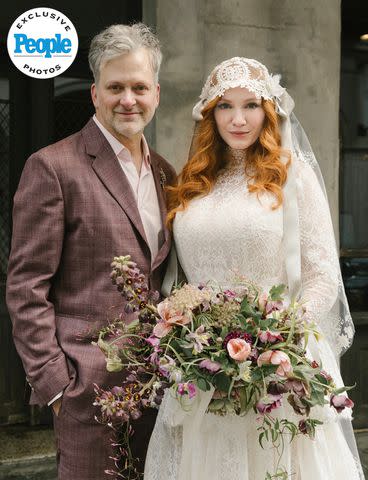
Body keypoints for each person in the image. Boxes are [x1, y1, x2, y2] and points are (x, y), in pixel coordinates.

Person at [144, 58, 364, 479]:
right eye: (226, 106)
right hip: (201, 367)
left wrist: (278, 335)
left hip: (274, 369)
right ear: (210, 114)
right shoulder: (193, 181)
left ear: (269, 111)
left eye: (251, 105)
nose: (239, 119)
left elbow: (321, 277)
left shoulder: (292, 178)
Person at [6, 23, 176, 480]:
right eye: (115, 86)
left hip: (164, 395)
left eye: (139, 87)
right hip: (88, 394)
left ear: (156, 93)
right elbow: (26, 287)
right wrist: (58, 387)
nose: (128, 99)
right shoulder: (52, 167)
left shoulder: (166, 173)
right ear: (94, 94)